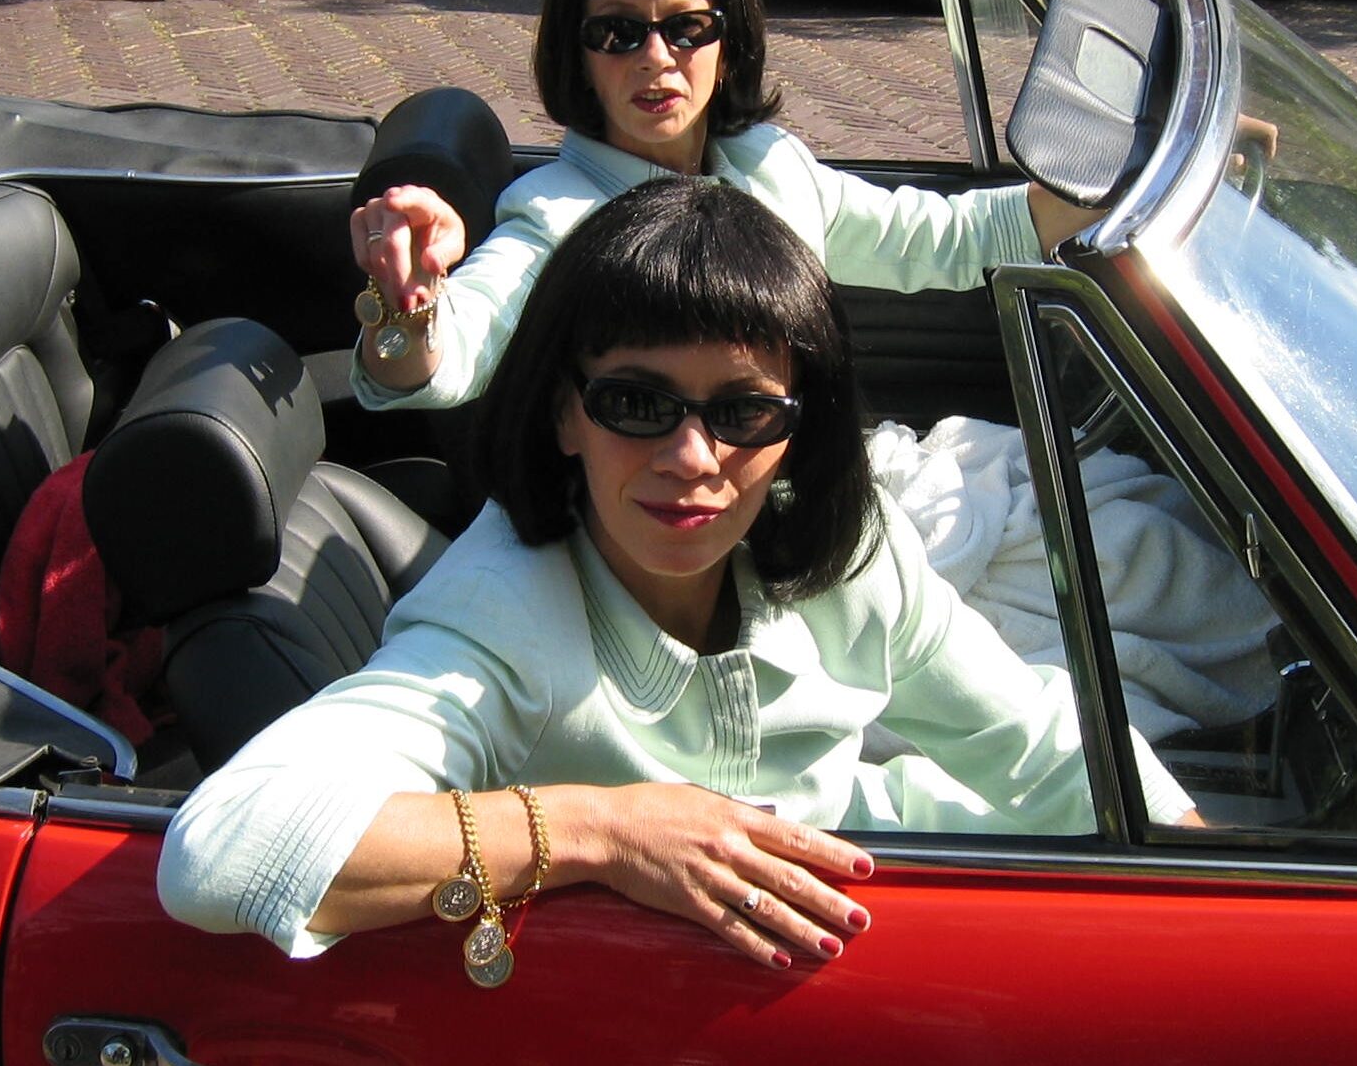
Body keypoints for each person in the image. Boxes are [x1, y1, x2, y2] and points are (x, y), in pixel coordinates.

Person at [160, 178, 1193, 973]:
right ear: (563, 413)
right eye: (637, 404)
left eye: (744, 411)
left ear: (799, 427)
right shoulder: (500, 615)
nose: (694, 458)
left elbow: (1039, 748)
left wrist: (1200, 856)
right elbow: (226, 848)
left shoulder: (851, 553)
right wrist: (602, 828)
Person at [345, 0, 1104, 408]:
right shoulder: (554, 216)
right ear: (578, 57)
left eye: (686, 27)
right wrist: (409, 305)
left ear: (729, 43)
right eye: (617, 31)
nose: (655, 58)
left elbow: (945, 238)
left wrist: (1117, 175)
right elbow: (451, 356)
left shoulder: (770, 164)